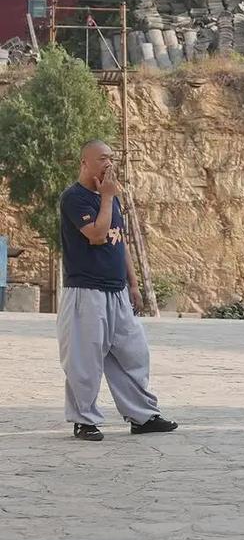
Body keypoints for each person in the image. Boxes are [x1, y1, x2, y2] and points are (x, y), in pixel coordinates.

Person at [57, 140, 178, 441]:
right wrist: (108, 197)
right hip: (86, 291)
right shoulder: (74, 198)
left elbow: (118, 240)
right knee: (84, 360)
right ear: (85, 162)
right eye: (102, 158)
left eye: (111, 158)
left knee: (133, 353)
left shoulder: (111, 198)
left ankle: (143, 416)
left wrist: (132, 284)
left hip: (116, 291)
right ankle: (84, 420)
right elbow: (97, 236)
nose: (109, 163)